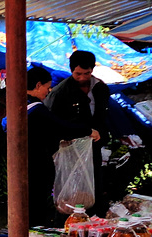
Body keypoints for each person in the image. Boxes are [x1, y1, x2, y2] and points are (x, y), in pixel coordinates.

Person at [10, 66, 99, 227]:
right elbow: (61, 127)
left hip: (18, 165)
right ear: (38, 85)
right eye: (47, 87)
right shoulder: (36, 110)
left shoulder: (17, 104)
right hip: (34, 166)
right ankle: (32, 236)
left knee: (23, 205)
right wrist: (89, 131)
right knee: (35, 207)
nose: (48, 91)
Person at [44, 50, 110, 216]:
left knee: (93, 183)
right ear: (71, 70)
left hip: (93, 145)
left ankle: (94, 220)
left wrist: (101, 135)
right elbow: (54, 122)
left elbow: (104, 116)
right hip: (69, 147)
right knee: (69, 185)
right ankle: (67, 219)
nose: (82, 78)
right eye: (78, 74)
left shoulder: (100, 88)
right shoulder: (60, 92)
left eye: (86, 73)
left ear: (92, 70)